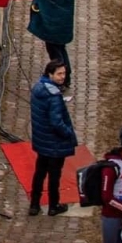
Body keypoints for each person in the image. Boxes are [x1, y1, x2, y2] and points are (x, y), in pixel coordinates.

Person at [28, 58, 76, 217]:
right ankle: (53, 205)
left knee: (39, 172)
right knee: (54, 176)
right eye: (59, 74)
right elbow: (57, 122)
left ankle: (34, 204)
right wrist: (68, 132)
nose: (63, 76)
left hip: (41, 140)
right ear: (50, 74)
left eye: (64, 73)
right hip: (54, 142)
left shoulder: (38, 88)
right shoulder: (54, 95)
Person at [28, 0, 81, 83]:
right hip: (64, 23)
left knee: (56, 54)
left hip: (51, 24)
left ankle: (61, 78)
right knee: (60, 49)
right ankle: (66, 76)